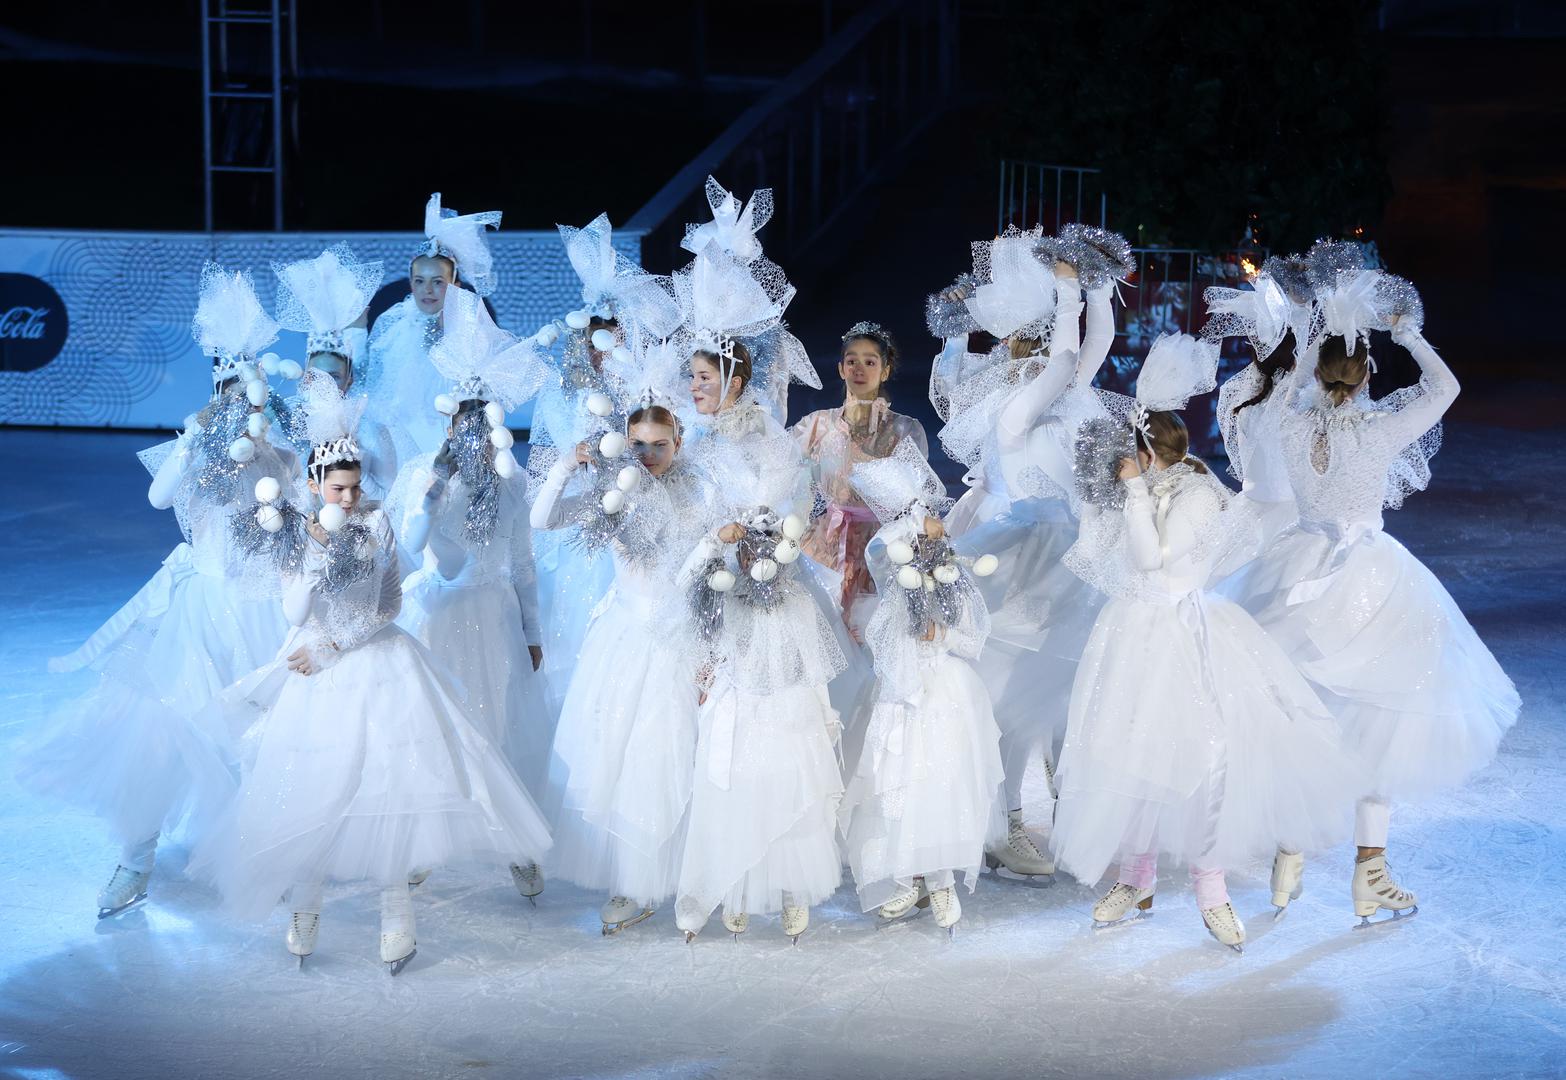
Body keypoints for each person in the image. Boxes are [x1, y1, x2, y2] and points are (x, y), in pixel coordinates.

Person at [191, 372, 551, 974]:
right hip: (317, 673)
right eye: (337, 490)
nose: (350, 500)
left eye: (354, 488)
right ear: (313, 485)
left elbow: (389, 602)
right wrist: (310, 555)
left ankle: (396, 916)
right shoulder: (297, 534)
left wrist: (337, 642)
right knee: (315, 785)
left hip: (379, 659)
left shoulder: (377, 524)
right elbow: (295, 612)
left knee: (391, 790)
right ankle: (305, 905)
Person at [1226, 268, 1520, 922]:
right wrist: (1407, 333)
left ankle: (1290, 850)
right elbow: (1448, 387)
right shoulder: (1380, 429)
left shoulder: (1288, 423)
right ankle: (1370, 872)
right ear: (1365, 377)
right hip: (1368, 584)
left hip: (1294, 575)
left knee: (1309, 717)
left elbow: (1289, 386)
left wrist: (1311, 342)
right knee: (1384, 727)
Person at [1054, 334, 1360, 952]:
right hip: (1132, 633)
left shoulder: (1196, 494)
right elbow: (1112, 553)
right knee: (1129, 750)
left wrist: (1136, 492)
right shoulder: (1135, 490)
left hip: (1185, 633)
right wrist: (1121, 495)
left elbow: (1151, 558)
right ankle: (1134, 876)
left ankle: (1210, 887)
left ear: (1147, 449)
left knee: (1205, 760)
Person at [18, 264, 299, 919]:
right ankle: (135, 858)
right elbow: (156, 494)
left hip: (259, 608)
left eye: (244, 391)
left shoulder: (278, 457)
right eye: (225, 389)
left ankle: (261, 852)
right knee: (161, 730)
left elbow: (296, 529)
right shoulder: (197, 448)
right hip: (198, 612)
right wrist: (200, 434)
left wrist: (269, 453)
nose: (235, 401)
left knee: (258, 735)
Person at [838, 440, 1005, 934]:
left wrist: (942, 631)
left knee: (939, 779)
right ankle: (908, 876)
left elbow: (974, 640)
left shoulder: (952, 580)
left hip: (946, 692)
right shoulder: (893, 585)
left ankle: (940, 877)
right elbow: (878, 565)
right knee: (899, 781)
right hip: (900, 693)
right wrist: (910, 533)